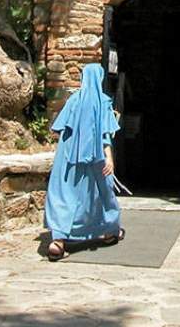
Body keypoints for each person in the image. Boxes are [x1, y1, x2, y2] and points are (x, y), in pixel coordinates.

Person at [44, 63, 124, 261]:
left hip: (68, 159)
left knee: (65, 195)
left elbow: (60, 129)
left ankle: (58, 241)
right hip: (95, 159)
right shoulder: (103, 102)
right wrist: (109, 158)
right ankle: (109, 231)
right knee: (100, 194)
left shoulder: (73, 101)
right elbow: (105, 134)